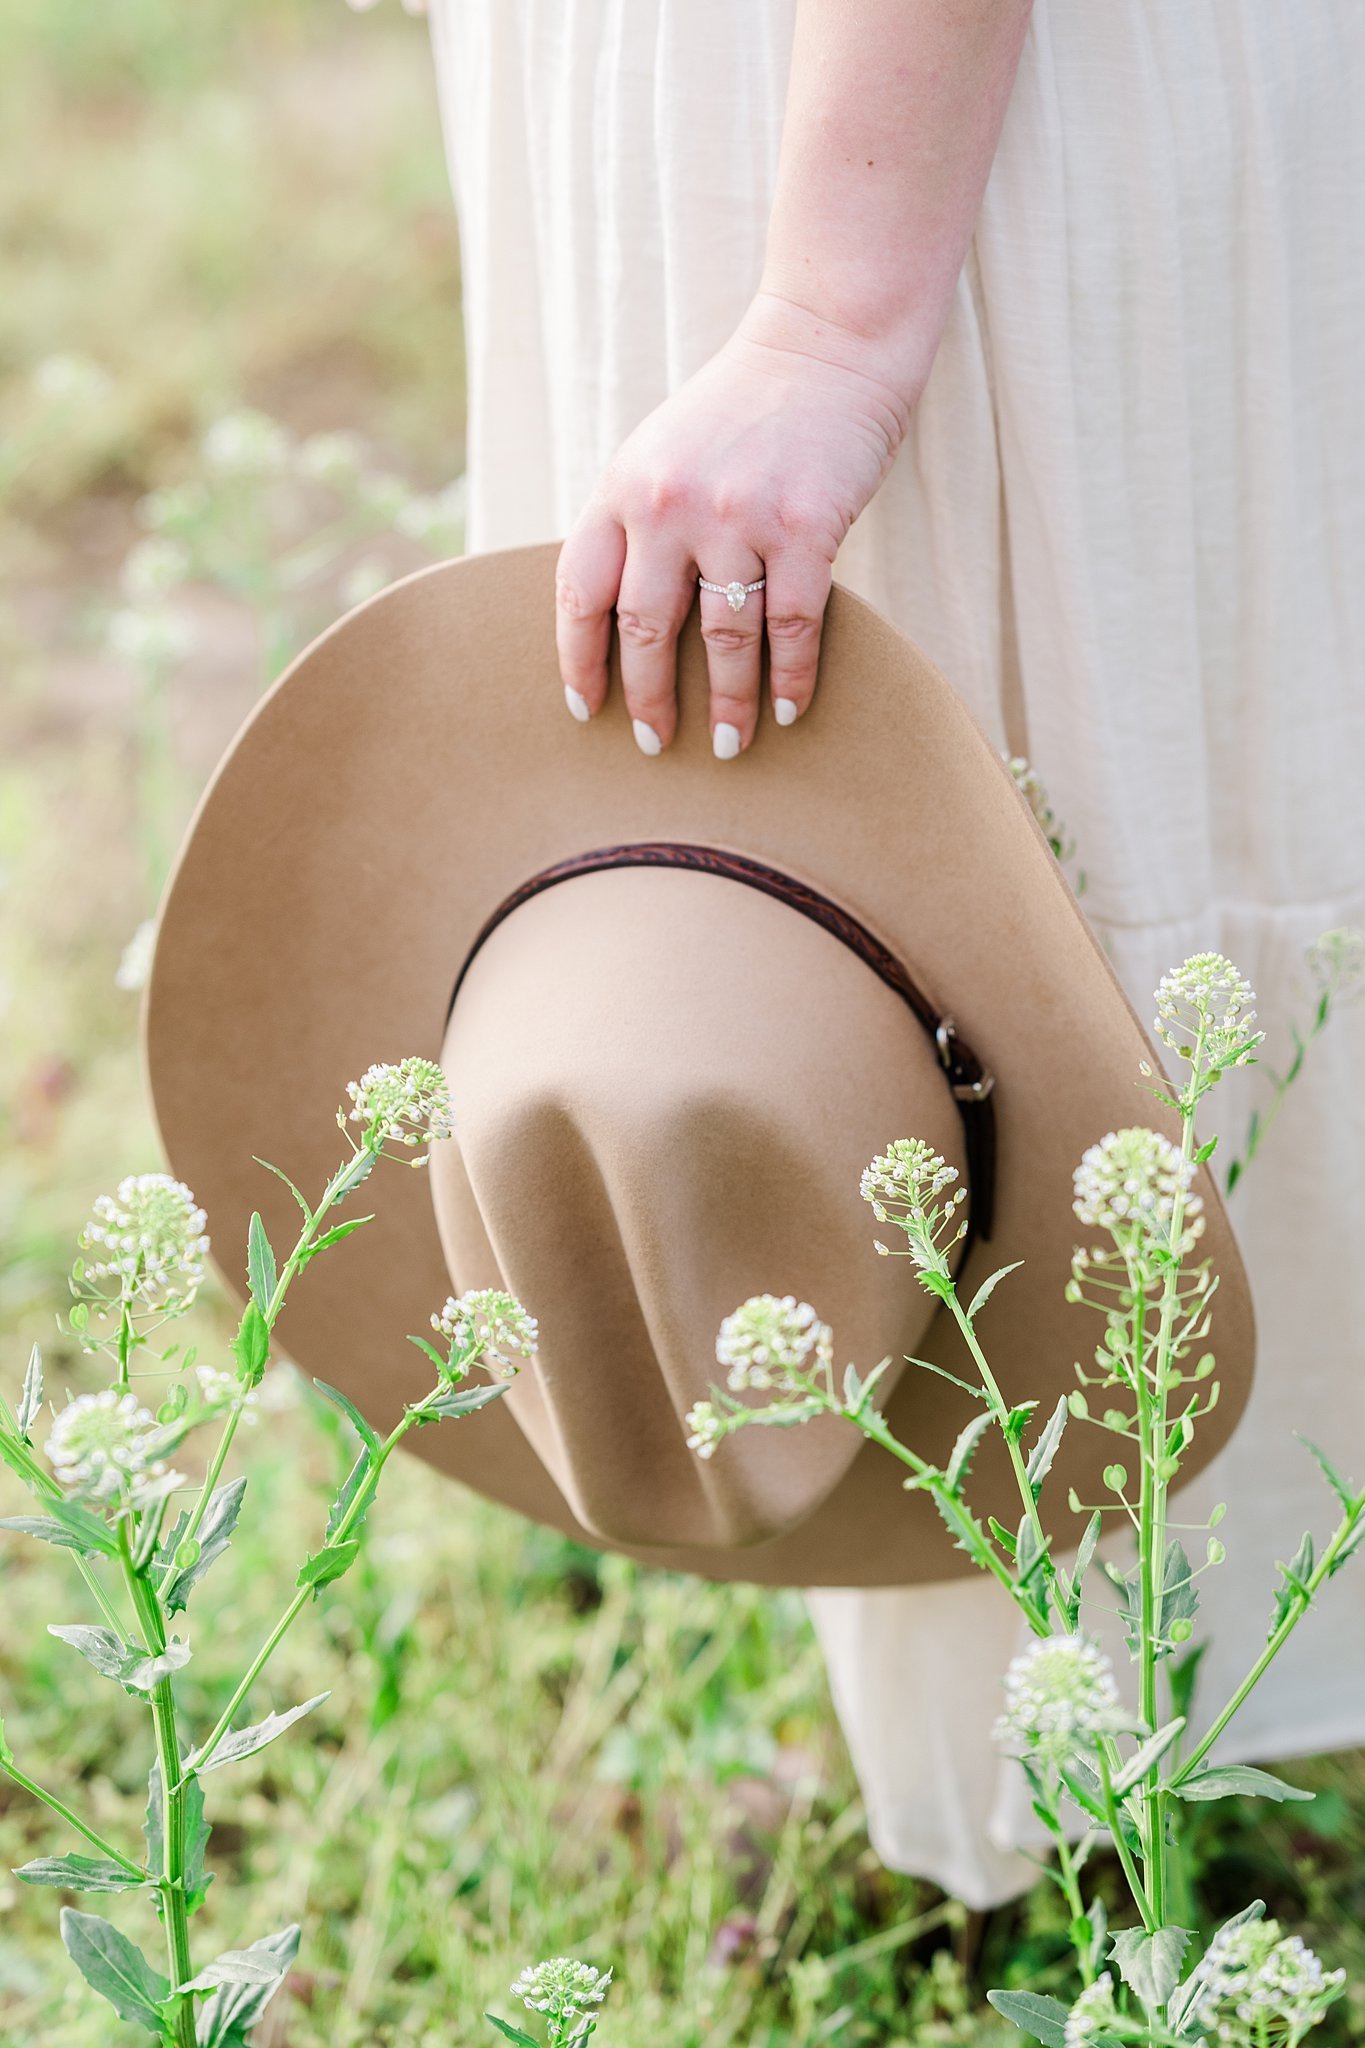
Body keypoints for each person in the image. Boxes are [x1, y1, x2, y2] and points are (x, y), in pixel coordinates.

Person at [425, 0, 1365, 1906]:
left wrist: (826, 325)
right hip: (773, 113)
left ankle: (1121, 1741)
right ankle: (1028, 1708)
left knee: (1005, 874)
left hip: (929, 130)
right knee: (781, 943)